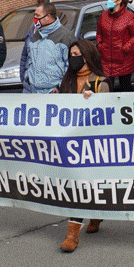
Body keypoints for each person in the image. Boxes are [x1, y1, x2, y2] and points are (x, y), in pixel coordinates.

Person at [58, 39, 111, 252]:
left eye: (77, 54)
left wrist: (95, 100)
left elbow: (108, 114)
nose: (74, 58)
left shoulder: (100, 81)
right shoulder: (66, 80)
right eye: (71, 54)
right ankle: (96, 215)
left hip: (93, 144)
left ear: (88, 57)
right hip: (71, 142)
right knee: (78, 185)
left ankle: (72, 235)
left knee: (81, 186)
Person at [19, 2, 76, 94]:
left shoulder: (65, 37)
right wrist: (27, 79)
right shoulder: (34, 34)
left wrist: (60, 87)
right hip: (31, 91)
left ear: (48, 17)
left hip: (53, 93)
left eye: (37, 15)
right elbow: (27, 58)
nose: (35, 19)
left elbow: (70, 66)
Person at [96, 0, 134, 91]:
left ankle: (126, 107)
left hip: (124, 60)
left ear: (119, 1)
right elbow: (99, 33)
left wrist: (125, 48)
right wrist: (100, 45)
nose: (108, 1)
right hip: (107, 60)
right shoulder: (103, 16)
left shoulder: (129, 16)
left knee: (125, 88)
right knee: (107, 88)